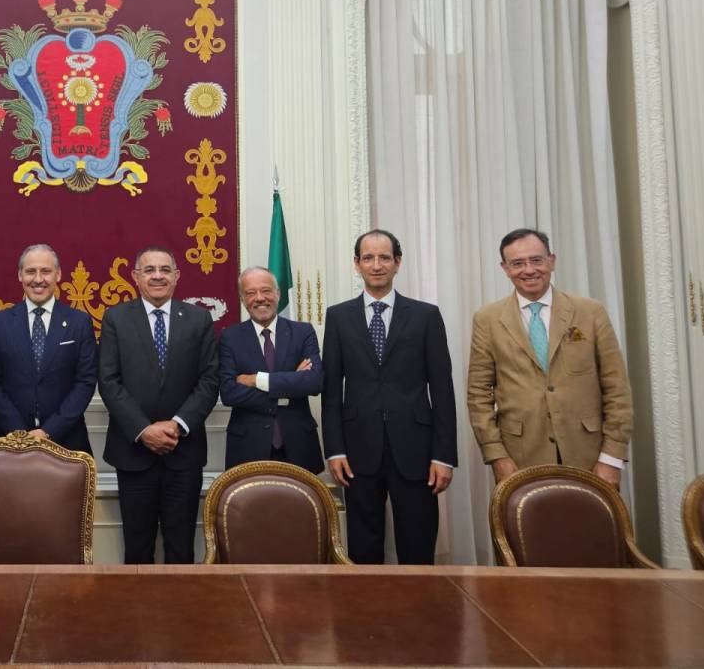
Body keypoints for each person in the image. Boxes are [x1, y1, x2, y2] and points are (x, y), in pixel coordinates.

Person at [321, 230, 457, 565]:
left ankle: (418, 614)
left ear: (397, 262)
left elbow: (442, 389)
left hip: (416, 451)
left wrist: (443, 455)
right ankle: (368, 615)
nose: (377, 265)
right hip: (357, 451)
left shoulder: (426, 315)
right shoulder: (338, 317)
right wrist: (334, 449)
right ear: (357, 264)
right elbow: (330, 390)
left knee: (418, 543)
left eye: (384, 257)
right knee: (364, 548)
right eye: (368, 257)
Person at [467, 228, 633, 487]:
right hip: (520, 456)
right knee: (529, 528)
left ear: (551, 261)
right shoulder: (487, 319)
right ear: (505, 268)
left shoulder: (590, 312)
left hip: (589, 454)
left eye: (536, 260)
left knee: (591, 527)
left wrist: (611, 458)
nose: (529, 270)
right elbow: (478, 395)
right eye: (518, 263)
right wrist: (496, 455)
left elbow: (617, 389)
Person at [97, 246, 219, 563]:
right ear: (136, 277)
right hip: (134, 452)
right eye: (149, 270)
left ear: (177, 276)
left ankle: (180, 614)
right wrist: (143, 430)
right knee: (137, 549)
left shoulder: (198, 319)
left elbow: (209, 380)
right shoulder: (115, 318)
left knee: (181, 548)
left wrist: (176, 425)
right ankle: (138, 613)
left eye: (165, 269)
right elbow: (109, 382)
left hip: (185, 452)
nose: (157, 276)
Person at [0, 244, 97, 453]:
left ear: (58, 275)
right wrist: (21, 434)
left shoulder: (79, 322)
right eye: (31, 271)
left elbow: (85, 382)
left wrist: (48, 431)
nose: (38, 279)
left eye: (46, 271)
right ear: (20, 275)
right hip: (8, 441)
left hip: (66, 442)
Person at [219, 266, 324, 473]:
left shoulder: (303, 332)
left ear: (278, 294)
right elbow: (229, 393)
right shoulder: (229, 338)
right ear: (242, 299)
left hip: (298, 445)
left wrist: (256, 380)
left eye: (266, 290)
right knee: (249, 506)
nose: (259, 298)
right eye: (250, 293)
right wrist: (290, 385)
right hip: (247, 447)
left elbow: (314, 382)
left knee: (300, 505)